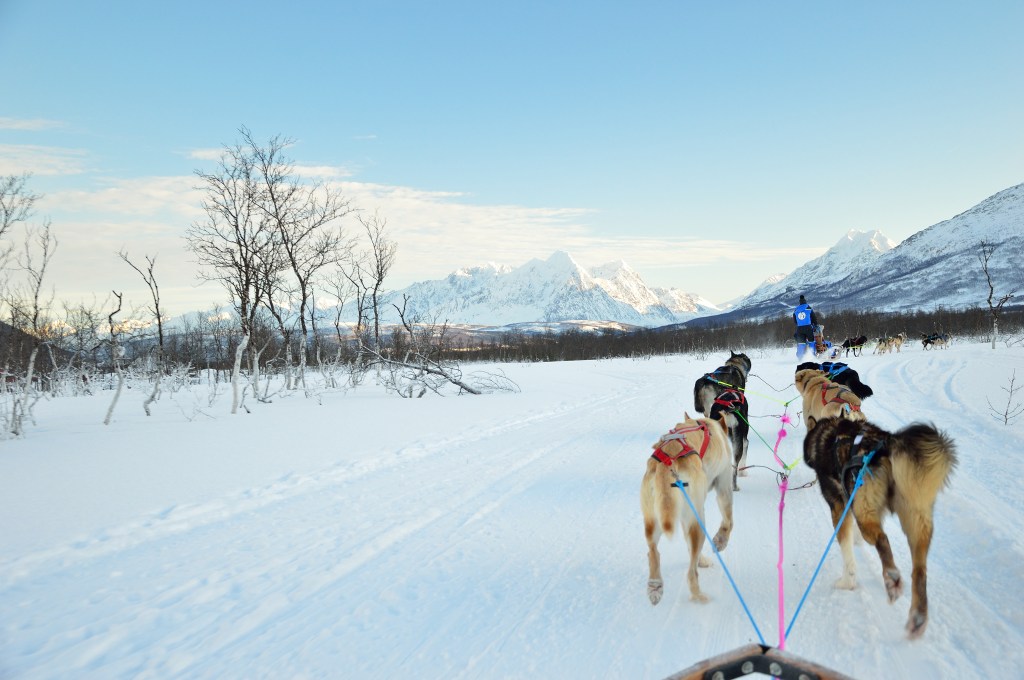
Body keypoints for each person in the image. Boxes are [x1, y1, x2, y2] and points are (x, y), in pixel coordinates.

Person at [793, 294, 818, 360]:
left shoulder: (796, 310)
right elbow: (814, 318)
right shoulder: (808, 307)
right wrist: (815, 325)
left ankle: (800, 358)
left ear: (800, 302)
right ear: (805, 301)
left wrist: (799, 325)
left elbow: (795, 321)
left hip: (799, 329)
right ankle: (812, 356)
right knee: (811, 342)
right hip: (808, 328)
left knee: (801, 344)